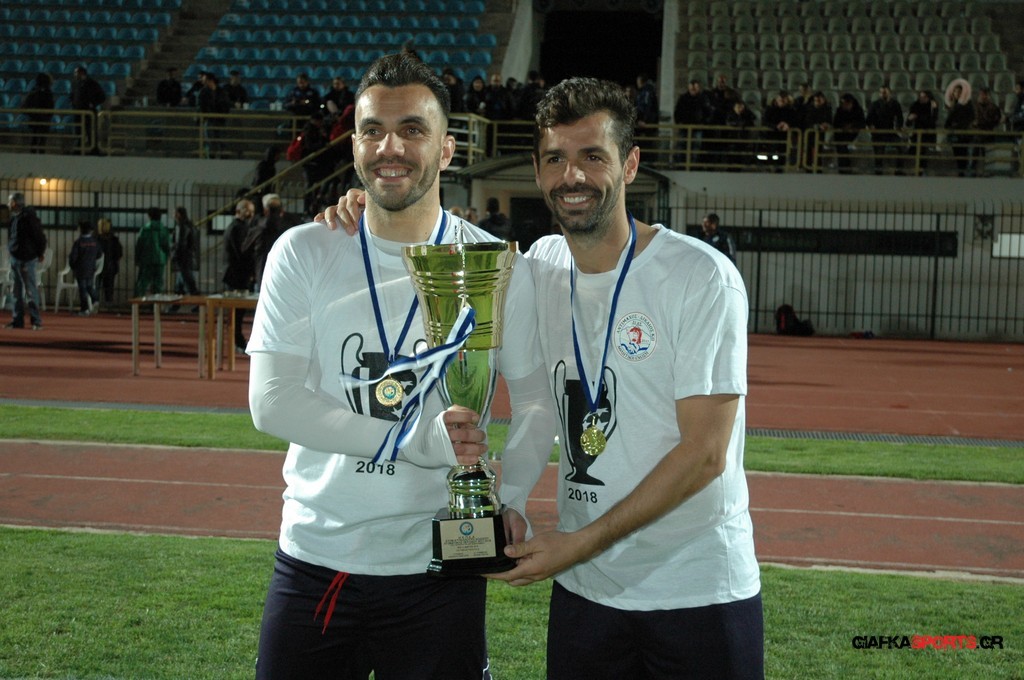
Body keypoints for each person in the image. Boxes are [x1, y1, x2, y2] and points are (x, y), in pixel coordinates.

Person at [322, 77, 763, 680]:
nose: (572, 176)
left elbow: (706, 453)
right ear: (536, 170)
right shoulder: (537, 268)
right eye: (555, 158)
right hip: (586, 595)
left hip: (694, 591)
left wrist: (576, 544)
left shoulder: (698, 275)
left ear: (630, 164)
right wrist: (367, 204)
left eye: (593, 157)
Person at [249, 52, 553, 679]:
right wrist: (408, 442)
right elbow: (271, 401)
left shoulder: (495, 265)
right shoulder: (304, 251)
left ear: (447, 149)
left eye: (413, 129)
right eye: (373, 131)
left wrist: (513, 498)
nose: (390, 147)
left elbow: (534, 400)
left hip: (438, 569)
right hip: (319, 558)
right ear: (355, 147)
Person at [5, 192, 47, 330]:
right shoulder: (15, 218)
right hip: (16, 258)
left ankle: (36, 321)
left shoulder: (29, 218)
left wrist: (39, 253)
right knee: (17, 291)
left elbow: (39, 237)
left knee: (30, 291)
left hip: (26, 258)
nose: (8, 204)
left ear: (15, 203)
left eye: (10, 201)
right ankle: (18, 320)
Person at [223, 198, 256, 352]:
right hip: (238, 274)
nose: (251, 214)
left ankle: (237, 340)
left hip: (234, 273)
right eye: (248, 210)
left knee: (236, 313)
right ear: (239, 211)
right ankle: (237, 341)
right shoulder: (239, 228)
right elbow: (243, 252)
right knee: (237, 313)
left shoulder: (233, 227)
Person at [865, 86, 905, 174]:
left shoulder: (895, 104)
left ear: (889, 93)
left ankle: (899, 171)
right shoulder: (875, 104)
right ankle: (878, 173)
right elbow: (868, 119)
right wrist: (871, 126)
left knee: (902, 147)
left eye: (885, 92)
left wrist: (899, 126)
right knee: (879, 155)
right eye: (881, 93)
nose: (883, 94)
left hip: (890, 132)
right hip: (878, 133)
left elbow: (900, 117)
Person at [133, 207, 170, 297]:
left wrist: (137, 259)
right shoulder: (164, 230)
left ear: (149, 216)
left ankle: (138, 301)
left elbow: (139, 245)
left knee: (143, 282)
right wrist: (166, 257)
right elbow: (167, 246)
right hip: (160, 260)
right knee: (158, 283)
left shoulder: (145, 229)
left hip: (146, 259)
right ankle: (156, 302)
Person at [68, 220, 101, 315]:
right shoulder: (95, 242)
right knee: (89, 286)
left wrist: (73, 266)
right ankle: (95, 299)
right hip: (91, 268)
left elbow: (73, 257)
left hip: (80, 269)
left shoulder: (79, 242)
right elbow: (99, 254)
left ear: (81, 230)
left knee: (82, 289)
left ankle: (84, 309)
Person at [70, 65, 105, 154]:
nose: (75, 74)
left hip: (89, 113)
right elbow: (72, 95)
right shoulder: (75, 84)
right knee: (78, 131)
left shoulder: (92, 83)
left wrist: (93, 104)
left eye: (76, 72)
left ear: (82, 73)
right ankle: (78, 150)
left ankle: (94, 150)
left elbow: (102, 96)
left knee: (91, 132)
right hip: (78, 112)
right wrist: (73, 104)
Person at [971, 87, 1004, 177]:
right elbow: (970, 120)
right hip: (976, 135)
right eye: (981, 94)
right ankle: (973, 173)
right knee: (974, 156)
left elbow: (997, 120)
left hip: (988, 134)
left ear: (988, 96)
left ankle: (988, 173)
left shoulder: (993, 108)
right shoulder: (974, 107)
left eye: (984, 94)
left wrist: (983, 122)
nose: (982, 96)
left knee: (988, 156)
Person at [944, 82, 974, 177]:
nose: (957, 93)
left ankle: (963, 172)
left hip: (964, 135)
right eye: (955, 92)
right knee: (957, 154)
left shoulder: (967, 104)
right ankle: (961, 172)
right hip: (955, 134)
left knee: (963, 154)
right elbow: (949, 119)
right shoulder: (953, 105)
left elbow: (970, 117)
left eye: (959, 92)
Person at [832, 93, 866, 174]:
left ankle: (846, 168)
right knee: (840, 147)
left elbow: (862, 123)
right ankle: (843, 169)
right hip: (841, 135)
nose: (843, 105)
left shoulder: (858, 110)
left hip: (854, 134)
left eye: (845, 103)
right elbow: (835, 123)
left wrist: (852, 126)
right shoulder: (839, 110)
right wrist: (843, 127)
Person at [171, 207, 200, 297]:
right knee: (182, 281)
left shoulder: (181, 226)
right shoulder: (191, 225)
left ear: (179, 214)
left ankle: (195, 299)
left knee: (188, 281)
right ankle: (177, 300)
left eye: (175, 213)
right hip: (189, 256)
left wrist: (174, 255)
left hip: (182, 256)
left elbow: (180, 242)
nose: (173, 215)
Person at [23, 73, 55, 154]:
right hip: (43, 120)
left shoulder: (34, 90)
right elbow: (50, 106)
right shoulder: (47, 92)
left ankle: (34, 154)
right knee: (41, 140)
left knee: (35, 139)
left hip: (35, 119)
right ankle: (40, 154)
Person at [96, 217, 122, 304]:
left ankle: (94, 304)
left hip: (97, 267)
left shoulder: (96, 239)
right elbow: (119, 254)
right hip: (111, 266)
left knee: (96, 286)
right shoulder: (114, 240)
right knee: (109, 288)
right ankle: (108, 304)